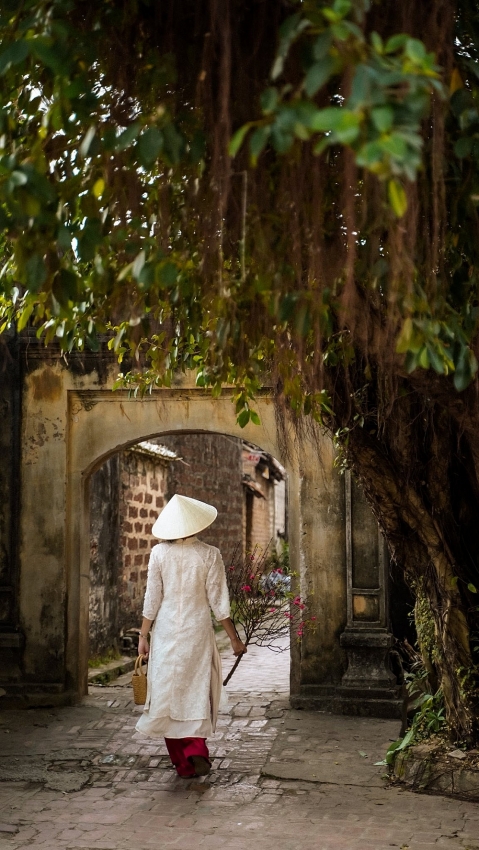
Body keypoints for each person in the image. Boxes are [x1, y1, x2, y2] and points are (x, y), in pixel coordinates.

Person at [135, 493, 247, 778]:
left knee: (166, 688)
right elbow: (219, 601)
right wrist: (234, 639)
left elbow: (152, 598)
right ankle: (196, 750)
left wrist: (143, 635)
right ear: (196, 525)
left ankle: (183, 762)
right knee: (195, 687)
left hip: (167, 630)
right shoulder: (210, 554)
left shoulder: (159, 554)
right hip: (197, 630)